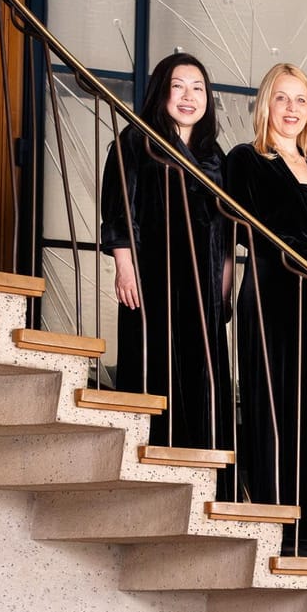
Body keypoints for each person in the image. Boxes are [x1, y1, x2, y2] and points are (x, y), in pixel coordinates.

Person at [223, 63, 307, 557]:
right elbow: (243, 223)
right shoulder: (245, 158)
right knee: (274, 403)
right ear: (266, 105)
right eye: (282, 98)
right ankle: (273, 524)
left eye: (301, 100)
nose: (292, 108)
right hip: (272, 291)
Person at [101, 52, 230, 451]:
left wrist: (224, 288)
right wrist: (125, 268)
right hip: (153, 279)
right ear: (161, 92)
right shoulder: (136, 140)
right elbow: (119, 210)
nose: (189, 97)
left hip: (204, 287)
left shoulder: (215, 155)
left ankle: (199, 468)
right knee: (153, 365)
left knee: (201, 377)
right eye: (178, 86)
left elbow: (227, 230)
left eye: (198, 88)